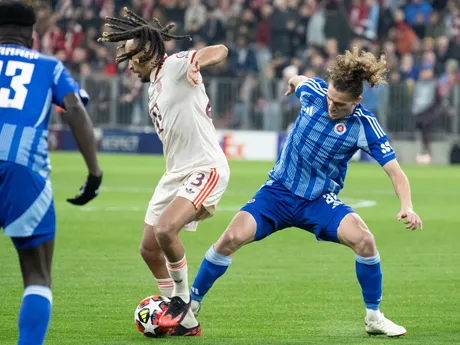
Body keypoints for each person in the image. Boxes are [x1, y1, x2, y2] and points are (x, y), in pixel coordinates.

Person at [188, 47, 423, 337]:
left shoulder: (365, 126)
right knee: (231, 237)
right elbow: (299, 80)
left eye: (339, 104)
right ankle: (191, 305)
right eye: (330, 99)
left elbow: (395, 171)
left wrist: (407, 205)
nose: (331, 107)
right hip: (277, 193)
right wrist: (293, 81)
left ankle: (374, 317)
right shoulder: (314, 92)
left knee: (365, 241)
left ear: (357, 101)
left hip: (318, 202)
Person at [98, 8, 230, 336]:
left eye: (130, 56)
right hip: (174, 173)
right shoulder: (151, 87)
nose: (128, 64)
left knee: (166, 230)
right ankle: (184, 322)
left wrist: (200, 61)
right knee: (148, 247)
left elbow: (220, 50)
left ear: (146, 52)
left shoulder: (173, 66)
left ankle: (181, 302)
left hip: (205, 166)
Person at [0, 2, 103, 345]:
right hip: (23, 171)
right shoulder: (49, 66)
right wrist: (94, 172)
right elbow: (73, 108)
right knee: (36, 275)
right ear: (31, 36)